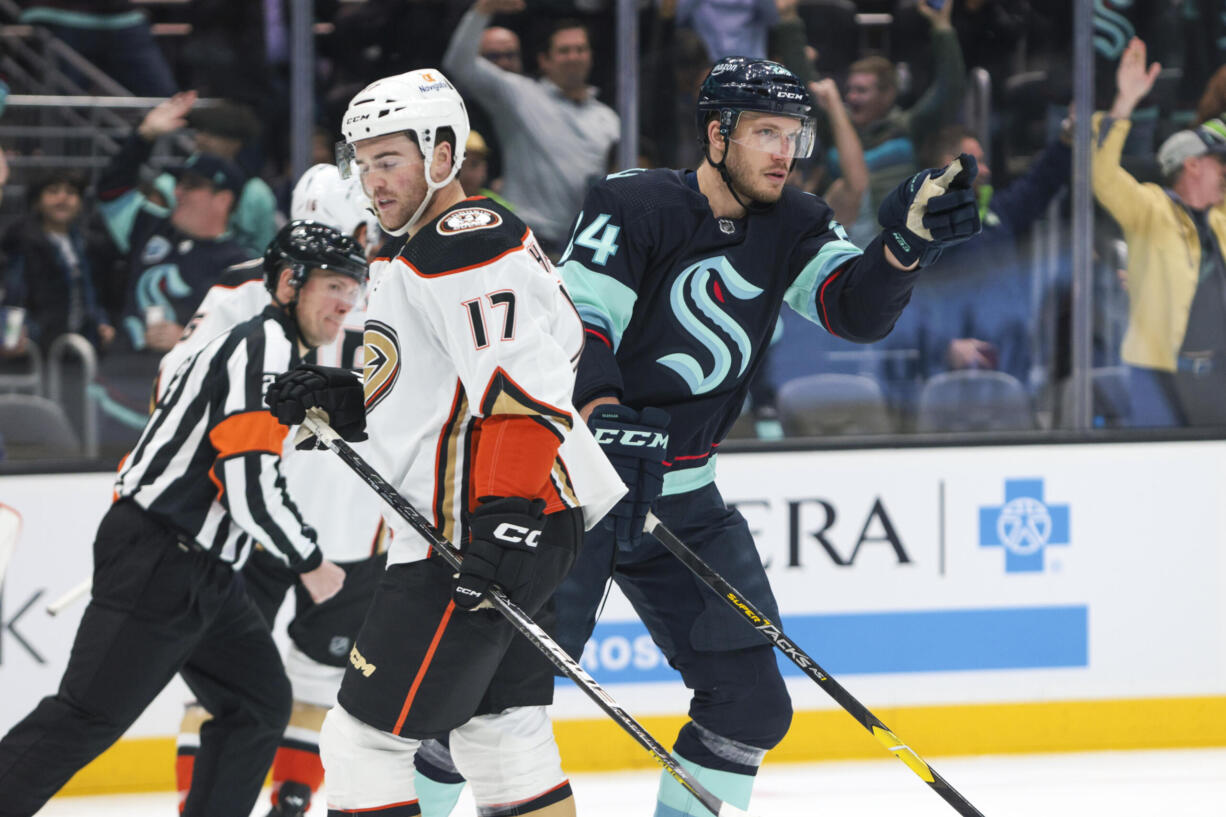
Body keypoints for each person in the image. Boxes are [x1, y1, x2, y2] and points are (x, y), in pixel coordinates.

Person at [552, 56, 980, 816]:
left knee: (749, 706)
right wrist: (601, 411)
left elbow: (852, 309)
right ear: (717, 135)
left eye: (794, 133)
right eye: (765, 133)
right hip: (578, 490)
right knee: (495, 696)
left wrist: (904, 247)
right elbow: (580, 322)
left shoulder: (794, 223)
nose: (786, 152)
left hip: (684, 501)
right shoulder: (634, 205)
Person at [265, 68, 625, 817]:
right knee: (502, 735)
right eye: (361, 162)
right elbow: (447, 392)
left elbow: (520, 392)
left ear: (441, 153)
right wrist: (347, 400)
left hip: (474, 527)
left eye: (388, 159)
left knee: (363, 744)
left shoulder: (462, 244)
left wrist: (501, 515)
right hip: (510, 517)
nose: (371, 180)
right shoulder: (421, 249)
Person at [0, 220, 366, 817]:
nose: (347, 300)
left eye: (354, 285)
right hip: (161, 557)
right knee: (87, 715)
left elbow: (250, 476)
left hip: (206, 572)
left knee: (258, 705)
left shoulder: (276, 353)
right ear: (287, 284)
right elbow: (249, 486)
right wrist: (311, 561)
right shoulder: (264, 349)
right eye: (332, 284)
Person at [93, 100, 252, 449]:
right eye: (181, 183)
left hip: (184, 418)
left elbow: (248, 347)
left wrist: (189, 337)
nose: (179, 191)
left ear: (223, 199)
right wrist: (143, 137)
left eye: (193, 185)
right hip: (112, 400)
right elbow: (111, 188)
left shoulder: (243, 267)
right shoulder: (148, 227)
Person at [1094, 36, 1226, 427]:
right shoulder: (1151, 208)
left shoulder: (1221, 218)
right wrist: (1124, 103)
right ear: (1193, 165)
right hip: (1158, 378)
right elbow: (1101, 176)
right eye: (1221, 164)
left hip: (1219, 376)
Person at [443, 0, 619, 255]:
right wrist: (482, 11)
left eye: (580, 49)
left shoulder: (609, 119)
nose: (574, 57)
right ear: (544, 60)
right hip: (526, 242)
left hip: (584, 247)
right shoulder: (520, 95)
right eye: (564, 50)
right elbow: (460, 64)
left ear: (591, 56)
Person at [824, 0, 966, 247]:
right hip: (843, 246)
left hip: (896, 245)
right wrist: (789, 22)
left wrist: (942, 28)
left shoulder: (908, 127)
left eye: (861, 90)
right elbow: (808, 90)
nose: (851, 97)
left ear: (888, 94)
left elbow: (949, 89)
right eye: (849, 90)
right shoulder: (835, 127)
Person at [1, 169, 116, 353]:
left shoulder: (86, 243)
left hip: (78, 348)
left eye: (71, 193)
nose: (62, 199)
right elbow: (14, 295)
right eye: (53, 192)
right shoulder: (22, 242)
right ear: (37, 201)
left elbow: (92, 294)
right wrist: (12, 331)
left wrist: (100, 322)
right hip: (37, 349)